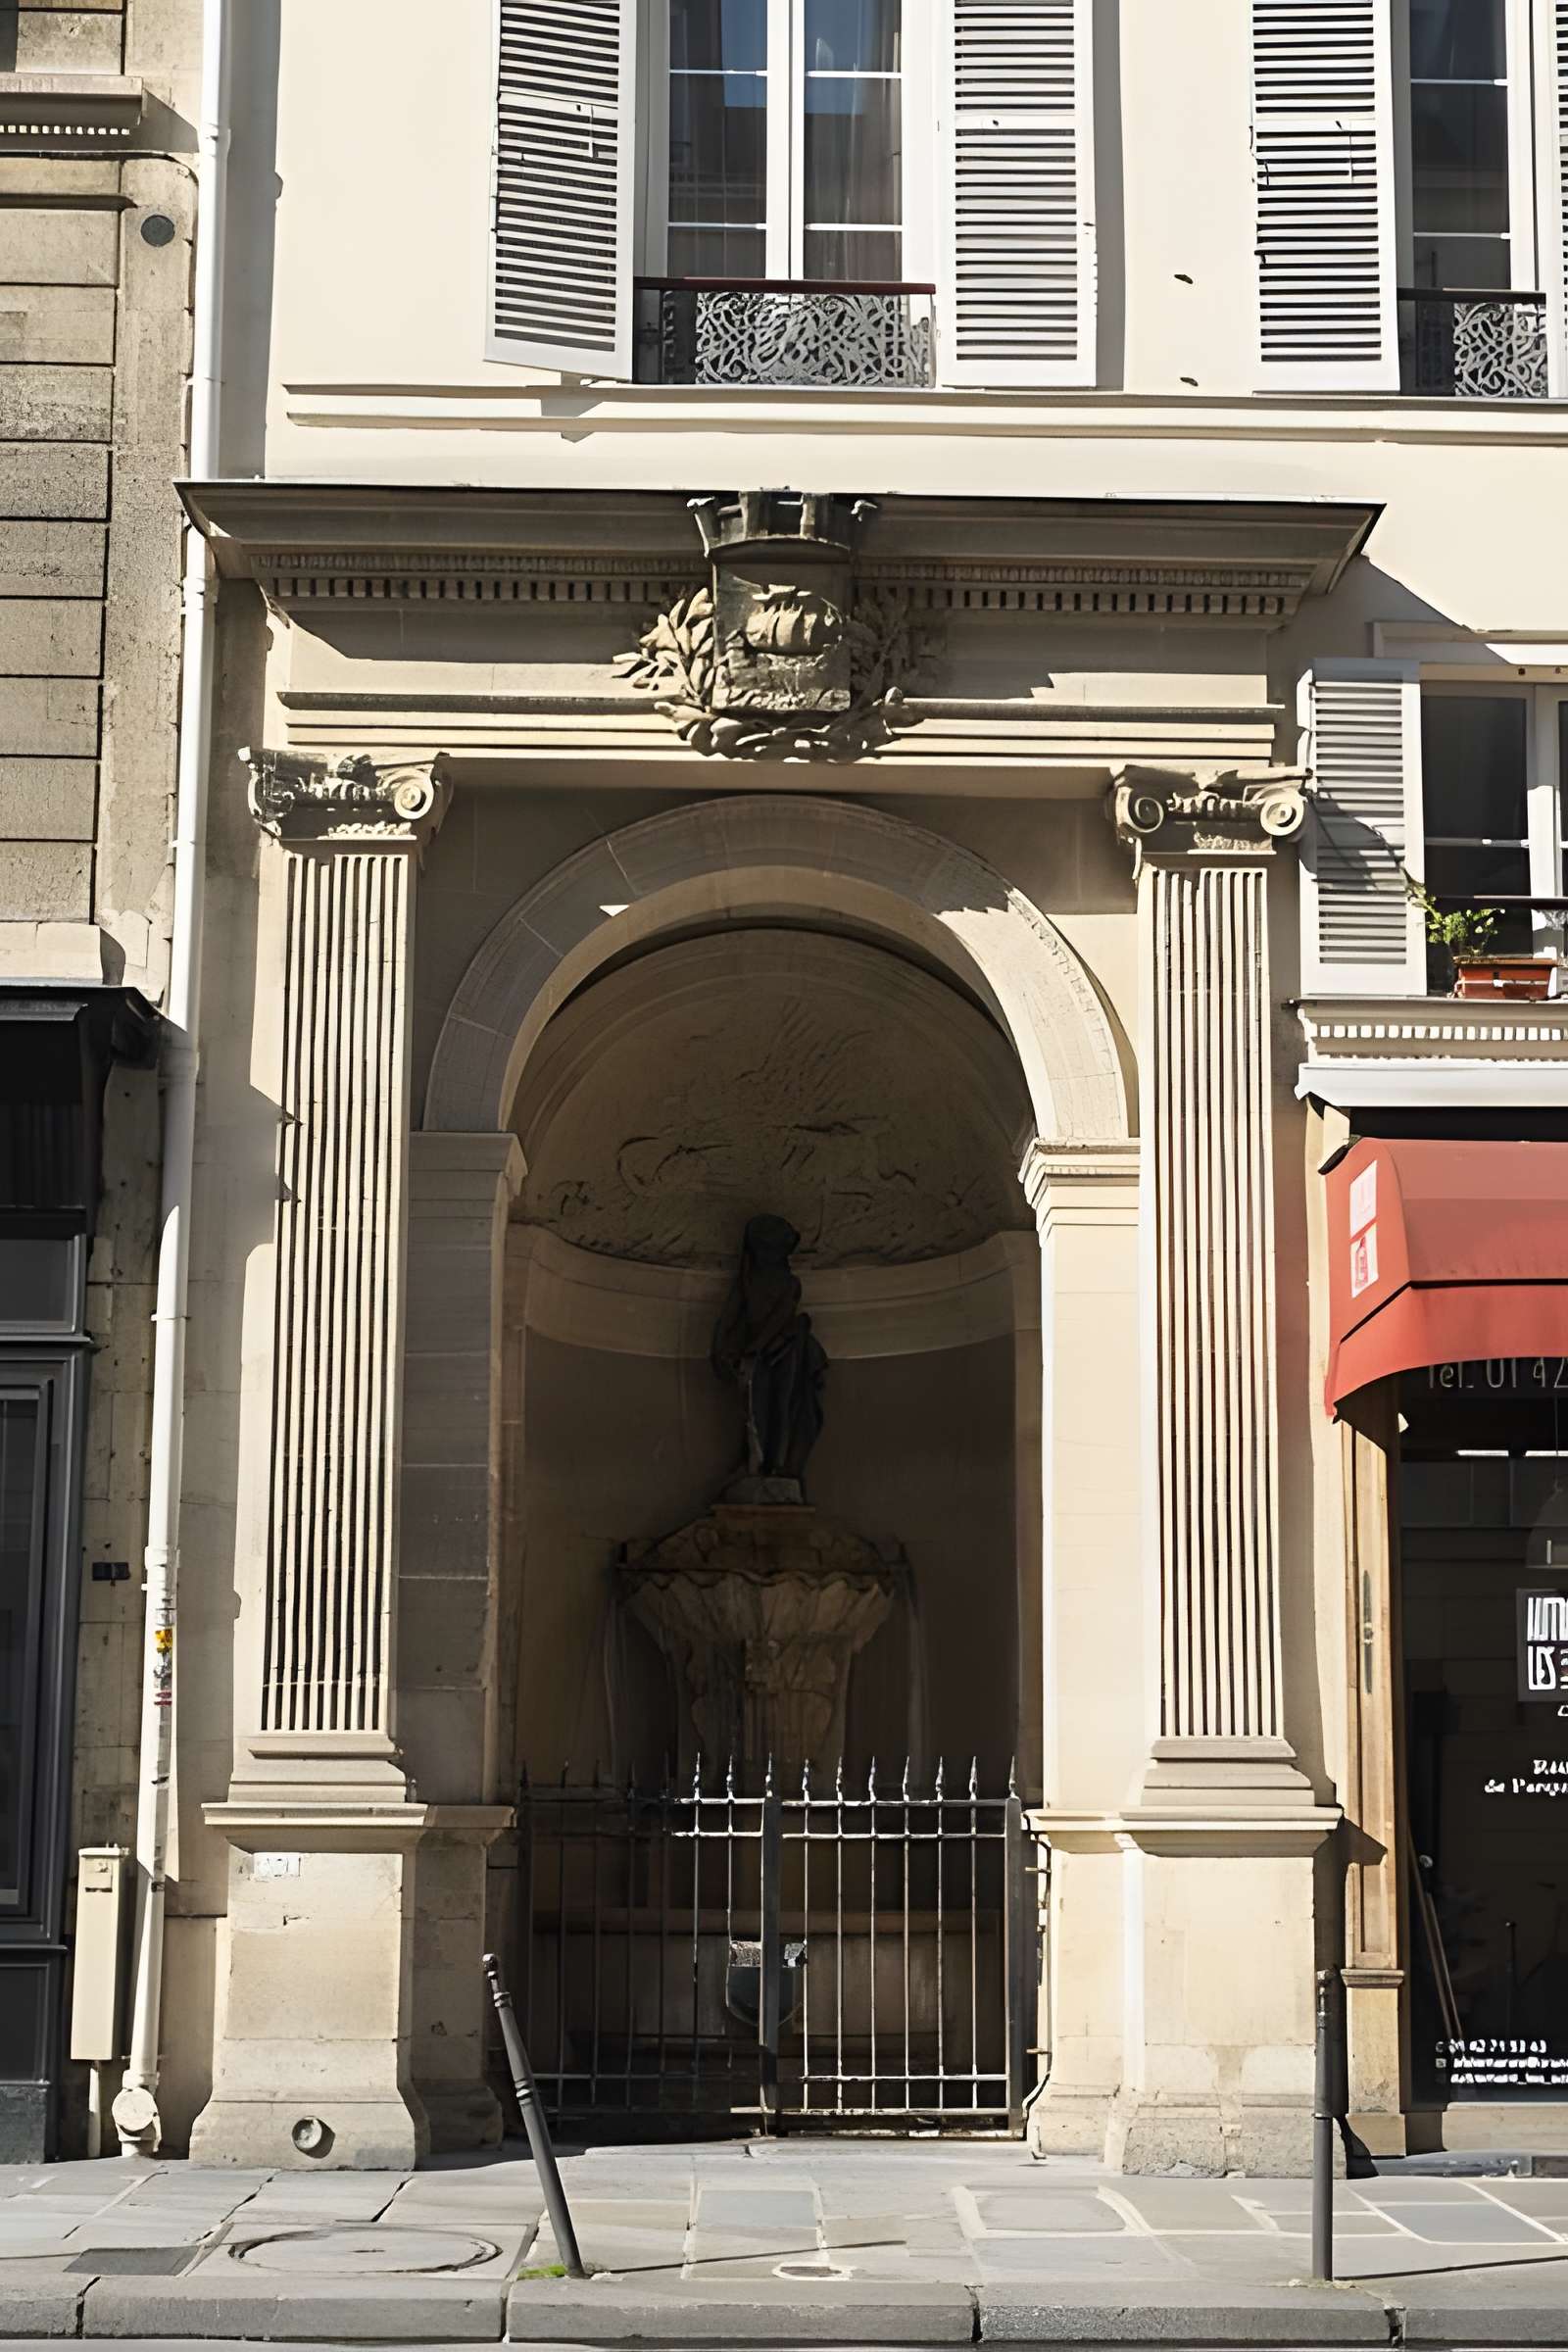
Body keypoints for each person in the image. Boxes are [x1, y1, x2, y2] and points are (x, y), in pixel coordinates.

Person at [710, 1213, 827, 1487]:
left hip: (784, 1352)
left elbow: (778, 1319)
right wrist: (720, 1350)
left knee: (782, 1407)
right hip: (757, 1357)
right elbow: (728, 1318)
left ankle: (776, 1465)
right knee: (755, 1410)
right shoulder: (747, 1283)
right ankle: (758, 1466)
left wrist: (753, 1350)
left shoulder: (790, 1284)